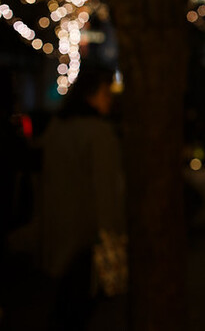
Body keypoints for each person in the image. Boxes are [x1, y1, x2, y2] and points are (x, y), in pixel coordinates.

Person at [39, 65, 125, 329]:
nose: (109, 99)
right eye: (104, 93)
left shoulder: (56, 128)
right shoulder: (98, 132)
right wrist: (112, 230)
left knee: (64, 308)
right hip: (86, 235)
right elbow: (105, 189)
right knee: (78, 309)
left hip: (57, 229)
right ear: (91, 95)